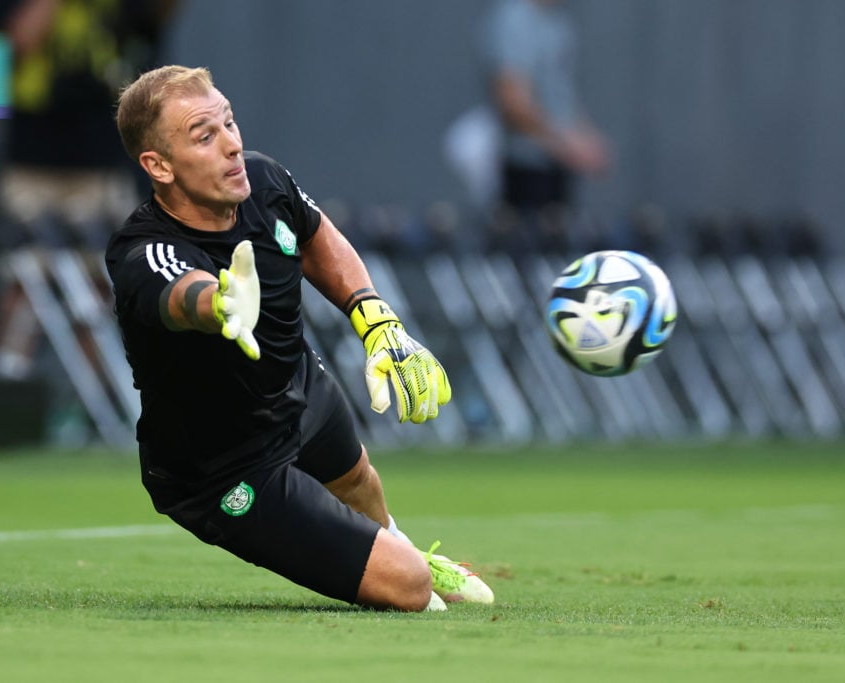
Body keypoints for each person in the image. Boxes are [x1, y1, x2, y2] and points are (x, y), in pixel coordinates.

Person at [104, 65, 495, 612]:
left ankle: (399, 545)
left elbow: (317, 240)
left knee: (359, 479)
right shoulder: (143, 249)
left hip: (298, 389)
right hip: (224, 466)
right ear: (158, 165)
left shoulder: (264, 180)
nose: (232, 146)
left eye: (230, 123)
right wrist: (218, 303)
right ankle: (407, 571)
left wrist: (375, 320)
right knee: (407, 587)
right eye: (205, 135)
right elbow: (178, 294)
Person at [0, 0, 181, 380]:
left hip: (101, 159)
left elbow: (159, 14)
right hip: (31, 158)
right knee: (24, 278)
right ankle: (7, 386)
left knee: (101, 284)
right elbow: (15, 44)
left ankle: (88, 400)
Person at [479, 0, 612, 253]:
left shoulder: (558, 21)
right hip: (525, 169)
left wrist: (586, 138)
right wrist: (566, 143)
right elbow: (512, 100)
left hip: (556, 168)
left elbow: (561, 98)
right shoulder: (514, 19)